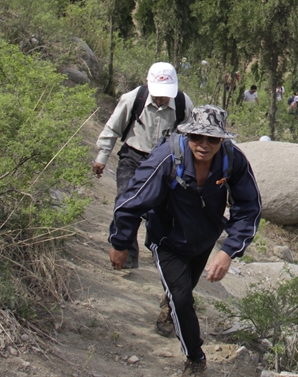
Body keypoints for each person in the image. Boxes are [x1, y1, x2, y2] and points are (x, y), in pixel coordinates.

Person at [109, 105, 261, 376]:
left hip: (204, 238)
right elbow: (132, 201)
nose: (203, 145)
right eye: (196, 137)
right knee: (182, 298)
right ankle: (195, 358)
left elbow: (249, 207)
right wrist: (121, 243)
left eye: (212, 139)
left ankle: (169, 308)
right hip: (166, 238)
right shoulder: (166, 158)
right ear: (187, 134)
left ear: (222, 140)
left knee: (181, 293)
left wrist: (228, 251)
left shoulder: (232, 159)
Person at [94, 62, 192, 269]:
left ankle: (160, 250)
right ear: (148, 84)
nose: (161, 98)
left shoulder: (183, 104)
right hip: (133, 156)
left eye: (165, 94)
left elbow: (191, 140)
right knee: (126, 200)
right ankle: (126, 251)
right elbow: (113, 128)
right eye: (157, 93)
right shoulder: (133, 99)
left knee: (160, 210)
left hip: (166, 162)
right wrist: (102, 157)